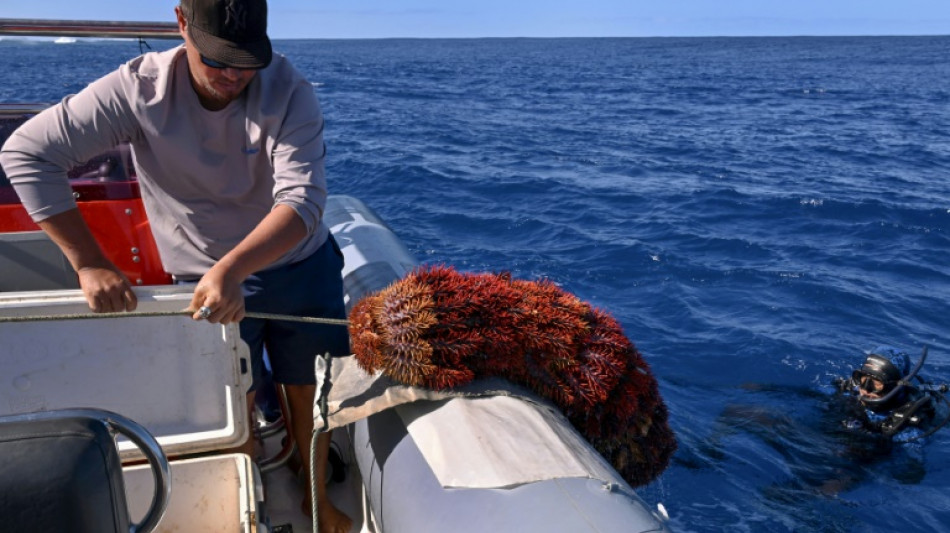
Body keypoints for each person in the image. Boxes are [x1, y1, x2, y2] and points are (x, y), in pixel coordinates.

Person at [0, 1, 353, 531]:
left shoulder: (290, 90)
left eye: (247, 60)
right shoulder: (136, 90)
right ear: (182, 23)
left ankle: (313, 491)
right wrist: (89, 262)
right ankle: (254, 469)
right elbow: (27, 153)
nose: (235, 75)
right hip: (202, 275)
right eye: (218, 59)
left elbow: (302, 202)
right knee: (234, 393)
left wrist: (234, 267)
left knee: (315, 387)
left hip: (298, 263)